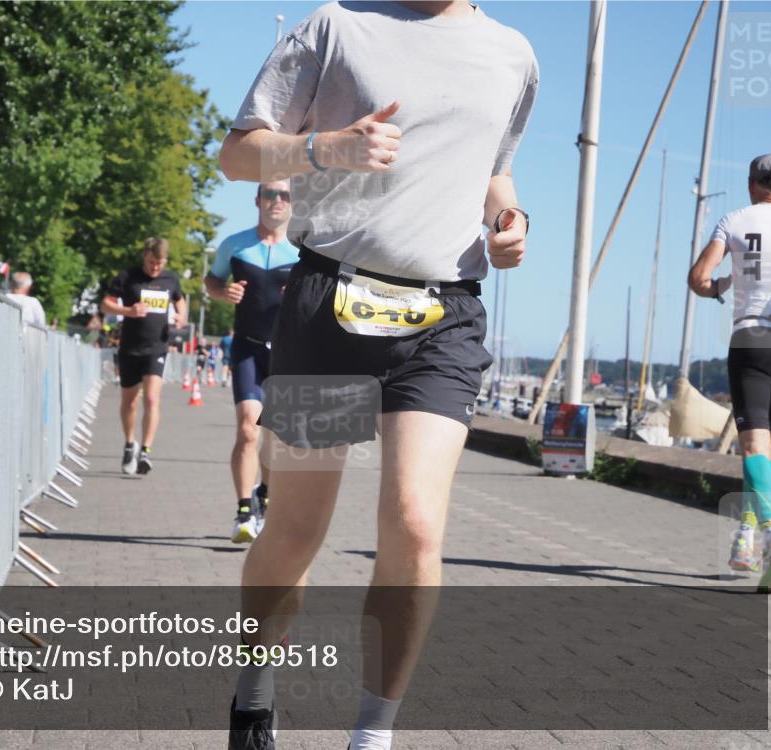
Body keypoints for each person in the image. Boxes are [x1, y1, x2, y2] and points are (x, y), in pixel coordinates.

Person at [219, 2, 537, 747]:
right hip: (332, 305)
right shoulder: (336, 26)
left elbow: (496, 173)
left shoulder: (512, 53)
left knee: (416, 524)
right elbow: (237, 155)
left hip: (442, 316)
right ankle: (253, 694)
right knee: (297, 530)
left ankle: (372, 735)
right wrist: (325, 149)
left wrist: (511, 223)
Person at [688, 153, 771, 590]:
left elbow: (698, 278)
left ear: (752, 185)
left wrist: (720, 287)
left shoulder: (734, 219)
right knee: (763, 448)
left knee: (753, 445)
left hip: (752, 341)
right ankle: (746, 542)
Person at [206, 180, 299, 544]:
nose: (277, 201)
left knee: (274, 438)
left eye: (285, 195)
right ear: (258, 200)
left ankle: (265, 494)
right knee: (248, 428)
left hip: (288, 354)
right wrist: (222, 292)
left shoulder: (303, 250)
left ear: (293, 202)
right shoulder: (235, 244)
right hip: (247, 346)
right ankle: (244, 510)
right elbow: (211, 281)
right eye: (270, 194)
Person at [100, 238, 187, 475]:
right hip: (130, 347)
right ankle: (130, 444)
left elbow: (180, 301)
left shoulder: (170, 279)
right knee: (130, 401)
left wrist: (182, 317)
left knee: (151, 398)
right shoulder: (127, 277)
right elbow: (105, 305)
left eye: (159, 264)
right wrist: (128, 310)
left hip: (157, 347)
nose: (155, 268)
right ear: (144, 256)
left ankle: (146, 451)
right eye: (151, 262)